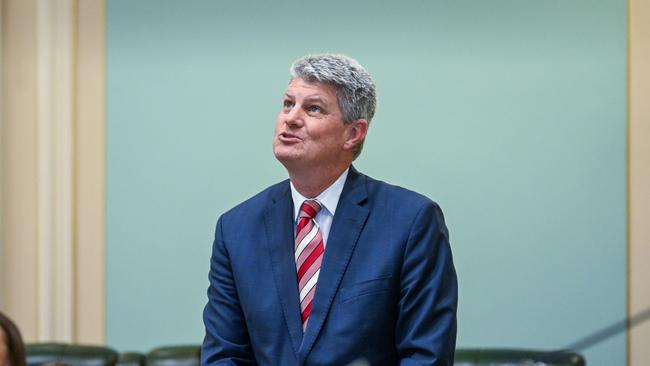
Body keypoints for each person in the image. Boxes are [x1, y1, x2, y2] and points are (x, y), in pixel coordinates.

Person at [201, 54, 458, 365]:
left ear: (353, 133)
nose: (291, 118)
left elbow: (425, 357)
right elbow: (225, 355)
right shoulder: (236, 228)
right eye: (287, 104)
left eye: (313, 108)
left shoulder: (411, 222)